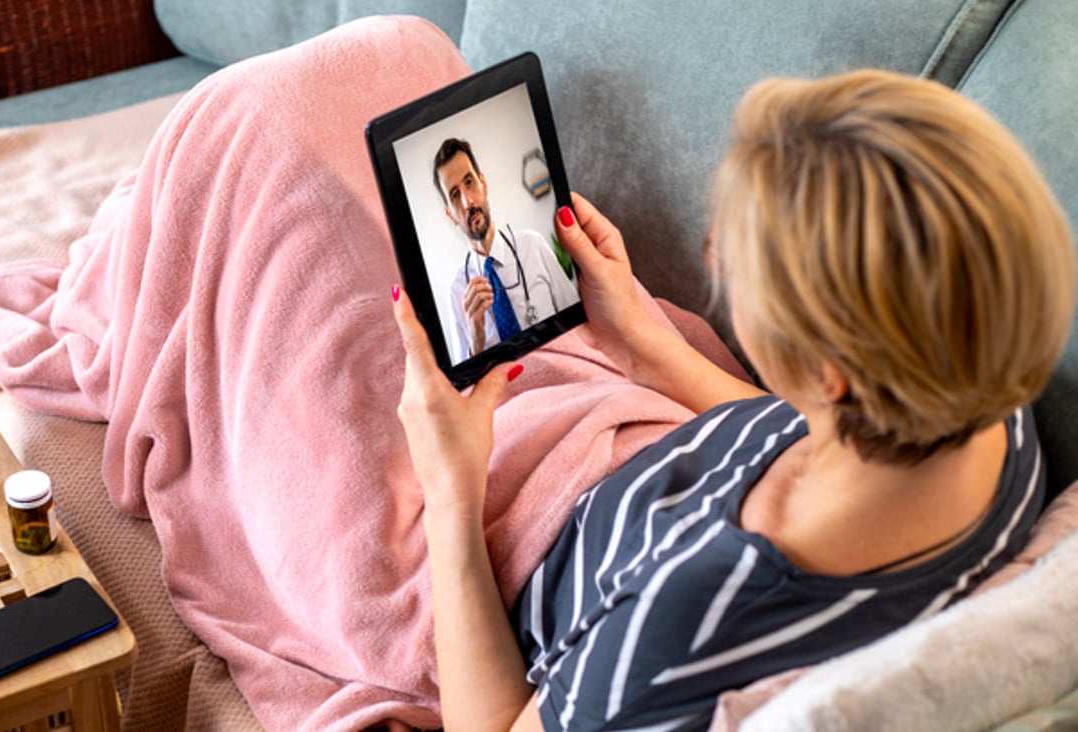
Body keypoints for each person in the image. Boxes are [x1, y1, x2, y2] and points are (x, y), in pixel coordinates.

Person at [394, 69, 1074, 730]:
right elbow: (813, 431)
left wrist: (450, 494)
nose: (711, 247)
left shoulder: (689, 619)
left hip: (498, 575)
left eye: (737, 257)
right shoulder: (989, 404)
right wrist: (640, 346)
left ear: (828, 371)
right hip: (627, 431)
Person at [434, 137, 580, 361]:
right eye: (455, 195)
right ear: (450, 215)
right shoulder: (457, 293)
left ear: (484, 183)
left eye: (469, 182)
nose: (467, 202)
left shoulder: (533, 246)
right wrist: (476, 340)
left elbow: (578, 321)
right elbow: (465, 388)